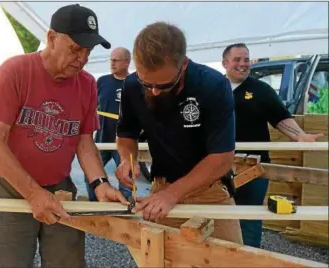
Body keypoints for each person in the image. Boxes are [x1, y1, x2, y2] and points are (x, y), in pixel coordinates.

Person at [0, 4, 129, 268]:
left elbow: (84, 142)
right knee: (9, 262)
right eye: (76, 48)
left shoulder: (86, 84)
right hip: (12, 187)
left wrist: (100, 183)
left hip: (60, 187)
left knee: (68, 262)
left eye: (88, 50)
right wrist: (34, 194)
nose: (83, 58)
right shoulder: (15, 71)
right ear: (51, 38)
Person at [115, 21, 243, 244]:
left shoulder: (212, 86)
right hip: (162, 186)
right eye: (147, 83)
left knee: (231, 259)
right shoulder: (132, 85)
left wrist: (173, 194)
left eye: (164, 85)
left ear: (183, 64)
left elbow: (221, 158)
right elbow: (126, 134)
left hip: (209, 190)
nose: (153, 91)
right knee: (160, 256)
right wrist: (128, 159)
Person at [222, 43, 324, 248]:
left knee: (249, 219)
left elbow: (280, 117)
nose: (243, 64)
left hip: (254, 167)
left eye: (246, 59)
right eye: (237, 60)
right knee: (219, 217)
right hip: (217, 167)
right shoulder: (213, 87)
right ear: (225, 63)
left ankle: (250, 260)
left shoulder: (260, 89)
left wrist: (301, 136)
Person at [84, 47, 132, 201]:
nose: (112, 63)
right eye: (111, 60)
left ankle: (124, 210)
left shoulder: (136, 83)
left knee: (125, 179)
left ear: (127, 62)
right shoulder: (102, 81)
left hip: (124, 143)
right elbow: (92, 107)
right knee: (90, 175)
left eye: (116, 60)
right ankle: (95, 204)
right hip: (102, 139)